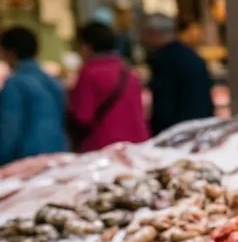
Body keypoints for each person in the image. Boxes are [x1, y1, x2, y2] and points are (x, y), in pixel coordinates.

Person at [67, 21, 149, 152]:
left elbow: (83, 116)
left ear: (87, 46)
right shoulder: (127, 71)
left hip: (106, 148)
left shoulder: (89, 74)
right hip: (138, 145)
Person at [0, 27, 67, 166]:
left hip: (29, 160)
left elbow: (10, 128)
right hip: (58, 154)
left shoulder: (15, 84)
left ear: (10, 53)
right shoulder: (51, 81)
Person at [141, 13, 214, 135]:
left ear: (153, 32)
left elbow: (164, 103)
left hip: (177, 131)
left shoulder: (164, 60)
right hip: (201, 125)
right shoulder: (191, 55)